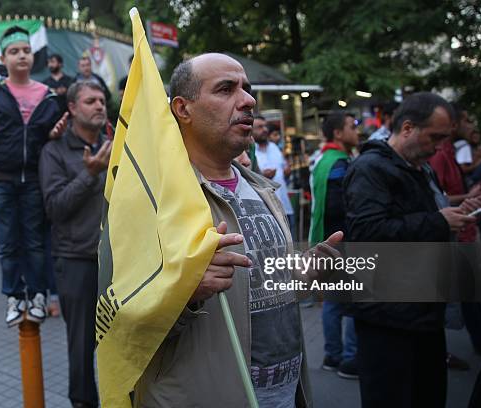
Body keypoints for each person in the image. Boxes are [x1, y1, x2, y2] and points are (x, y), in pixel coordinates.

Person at [134, 53, 343, 408]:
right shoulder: (151, 200)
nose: (248, 100)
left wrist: (301, 274)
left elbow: (263, 282)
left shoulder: (263, 190)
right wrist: (185, 292)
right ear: (182, 109)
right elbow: (125, 321)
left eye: (246, 88)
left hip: (286, 393)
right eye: (226, 89)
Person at [344, 92, 480, 408]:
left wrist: (454, 211)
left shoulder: (419, 167)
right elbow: (367, 233)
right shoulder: (371, 168)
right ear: (407, 128)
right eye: (435, 137)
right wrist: (437, 221)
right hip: (388, 317)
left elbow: (421, 215)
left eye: (445, 139)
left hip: (421, 312)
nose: (440, 146)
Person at [0, 26, 68, 326]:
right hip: (1, 180)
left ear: (32, 55)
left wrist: (54, 134)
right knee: (8, 241)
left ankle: (38, 294)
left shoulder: (48, 96)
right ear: (3, 58)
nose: (21, 55)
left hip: (35, 181)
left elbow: (52, 139)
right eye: (14, 51)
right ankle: (14, 297)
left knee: (36, 242)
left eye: (25, 50)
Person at [40, 81, 112, 408]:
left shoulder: (116, 145)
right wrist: (89, 175)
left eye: (102, 100)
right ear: (72, 108)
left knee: (124, 342)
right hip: (76, 262)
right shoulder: (53, 151)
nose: (99, 105)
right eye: (90, 101)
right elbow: (54, 208)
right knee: (82, 349)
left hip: (117, 262)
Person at [429, 104, 481, 359]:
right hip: (457, 236)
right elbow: (439, 197)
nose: (471, 127)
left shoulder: (448, 152)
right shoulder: (439, 154)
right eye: (467, 121)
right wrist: (468, 196)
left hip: (464, 232)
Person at [309, 111, 359, 379]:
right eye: (353, 126)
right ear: (338, 133)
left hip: (326, 240)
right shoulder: (339, 164)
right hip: (341, 241)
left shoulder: (321, 160)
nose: (358, 131)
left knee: (333, 300)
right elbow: (342, 208)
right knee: (350, 300)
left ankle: (332, 355)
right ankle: (350, 360)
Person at [253, 116, 295, 237]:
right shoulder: (249, 151)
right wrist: (262, 176)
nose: (265, 129)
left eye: (265, 126)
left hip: (284, 205)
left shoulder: (274, 147)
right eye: (260, 127)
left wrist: (287, 172)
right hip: (266, 209)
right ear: (251, 130)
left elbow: (283, 173)